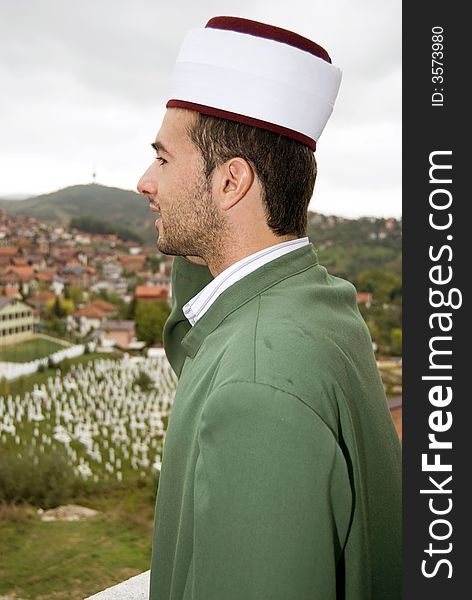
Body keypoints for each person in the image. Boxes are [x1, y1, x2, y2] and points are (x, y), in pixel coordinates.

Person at [138, 16, 401, 600]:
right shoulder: (317, 301)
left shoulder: (254, 390)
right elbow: (207, 328)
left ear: (231, 182)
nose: (143, 181)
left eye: (162, 159)